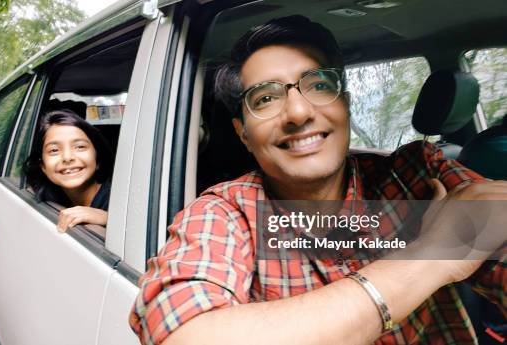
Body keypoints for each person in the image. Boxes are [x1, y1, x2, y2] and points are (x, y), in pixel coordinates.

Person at [129, 15, 507, 345]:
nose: (297, 111)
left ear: (345, 102)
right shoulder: (225, 213)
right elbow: (183, 336)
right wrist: (432, 254)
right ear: (242, 133)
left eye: (319, 85)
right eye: (264, 99)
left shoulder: (419, 174)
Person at [25, 109, 114, 232]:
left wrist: (108, 219)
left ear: (97, 158)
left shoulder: (120, 202)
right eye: (54, 150)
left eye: (80, 147)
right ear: (43, 166)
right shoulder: (46, 198)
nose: (67, 157)